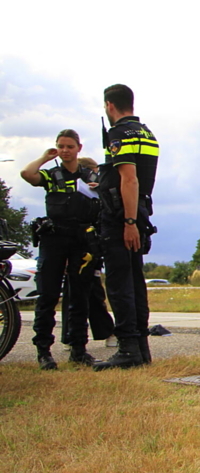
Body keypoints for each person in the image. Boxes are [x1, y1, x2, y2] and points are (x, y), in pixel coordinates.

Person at [92, 84, 160, 371]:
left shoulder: (117, 134)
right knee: (135, 281)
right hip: (140, 209)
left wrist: (128, 222)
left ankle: (127, 349)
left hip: (123, 216)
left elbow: (129, 179)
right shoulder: (147, 133)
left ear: (110, 105)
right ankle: (141, 347)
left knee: (120, 283)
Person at [20, 130, 101, 369]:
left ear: (79, 148)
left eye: (69, 146)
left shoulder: (89, 175)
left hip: (81, 239)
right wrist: (45, 157)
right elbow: (27, 174)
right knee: (47, 295)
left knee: (80, 296)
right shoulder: (51, 174)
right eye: (61, 146)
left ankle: (78, 349)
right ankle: (43, 351)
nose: (65, 150)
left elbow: (105, 192)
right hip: (54, 238)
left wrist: (98, 185)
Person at [60, 157, 115, 348]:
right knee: (82, 292)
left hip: (91, 245)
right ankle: (74, 336)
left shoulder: (97, 191)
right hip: (77, 243)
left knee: (90, 291)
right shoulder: (71, 193)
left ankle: (100, 332)